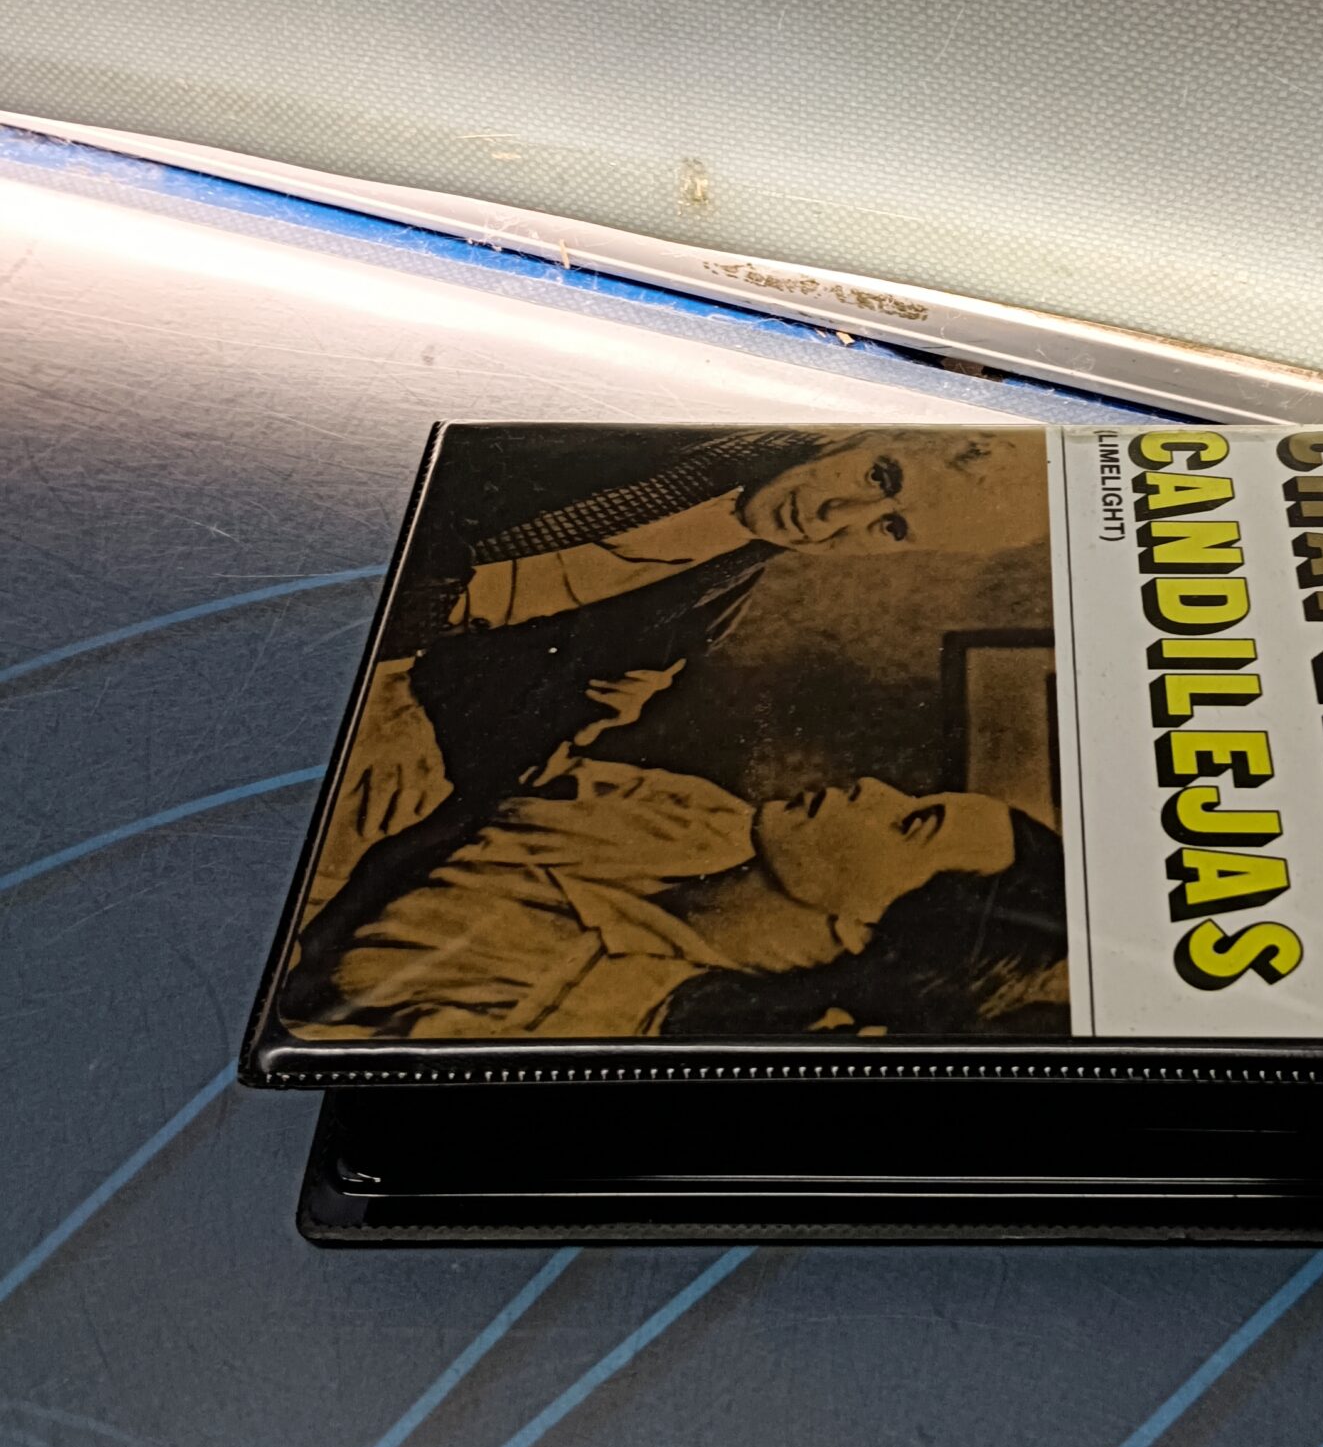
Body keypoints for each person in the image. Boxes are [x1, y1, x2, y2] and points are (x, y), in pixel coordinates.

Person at [349, 426, 1049, 857]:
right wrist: (387, 687)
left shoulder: (718, 604)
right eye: (879, 475)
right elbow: (420, 489)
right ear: (865, 432)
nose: (835, 515)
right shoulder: (666, 436)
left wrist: (591, 712)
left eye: (890, 529)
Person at [286, 667, 1068, 1043]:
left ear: (866, 928)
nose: (873, 788)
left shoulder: (591, 1013)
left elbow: (315, 1032)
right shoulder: (701, 815)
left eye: (909, 825)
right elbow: (465, 788)